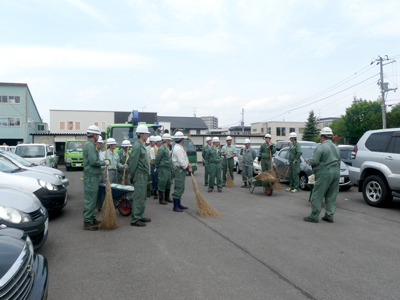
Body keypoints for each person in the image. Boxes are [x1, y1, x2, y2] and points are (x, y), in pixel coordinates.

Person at [303, 127, 341, 223]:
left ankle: (314, 216)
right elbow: (339, 161)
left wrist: (308, 161)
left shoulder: (320, 147)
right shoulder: (336, 148)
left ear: (323, 137)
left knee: (318, 194)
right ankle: (329, 216)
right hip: (336, 173)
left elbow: (315, 161)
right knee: (331, 195)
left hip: (324, 173)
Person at [82, 125, 108, 231]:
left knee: (92, 199)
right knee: (90, 200)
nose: (98, 137)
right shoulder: (90, 146)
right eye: (97, 134)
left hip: (92, 176)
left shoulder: (90, 145)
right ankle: (87, 222)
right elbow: (93, 162)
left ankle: (91, 218)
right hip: (91, 176)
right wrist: (104, 162)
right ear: (94, 135)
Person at [127, 124, 151, 227]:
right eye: (146, 133)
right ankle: (135, 219)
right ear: (141, 134)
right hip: (139, 174)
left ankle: (140, 215)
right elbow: (133, 162)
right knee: (138, 197)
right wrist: (132, 175)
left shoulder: (142, 145)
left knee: (143, 196)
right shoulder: (137, 146)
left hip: (144, 174)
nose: (147, 135)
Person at [171, 131, 193, 212]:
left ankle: (179, 204)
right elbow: (181, 162)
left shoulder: (179, 147)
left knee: (181, 187)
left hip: (181, 169)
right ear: (181, 139)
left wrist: (188, 164)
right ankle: (175, 206)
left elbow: (184, 159)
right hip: (179, 170)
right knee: (178, 187)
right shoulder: (178, 149)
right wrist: (188, 168)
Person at [155, 133, 173, 205]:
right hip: (163, 168)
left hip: (168, 168)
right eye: (170, 140)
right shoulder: (162, 148)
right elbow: (157, 159)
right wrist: (157, 167)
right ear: (167, 141)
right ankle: (161, 199)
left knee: (168, 183)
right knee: (162, 183)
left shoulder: (167, 148)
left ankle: (167, 197)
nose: (170, 142)